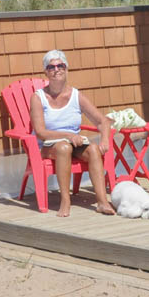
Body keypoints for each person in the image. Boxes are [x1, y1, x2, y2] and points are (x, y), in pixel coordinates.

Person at [29, 49, 116, 217]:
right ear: (46, 72)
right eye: (51, 67)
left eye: (60, 65)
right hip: (49, 146)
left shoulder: (76, 95)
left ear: (66, 69)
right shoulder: (38, 97)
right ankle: (65, 200)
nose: (56, 70)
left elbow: (102, 121)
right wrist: (68, 136)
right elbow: (40, 132)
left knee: (93, 149)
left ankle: (102, 202)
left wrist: (105, 139)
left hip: (75, 143)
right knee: (63, 148)